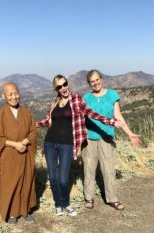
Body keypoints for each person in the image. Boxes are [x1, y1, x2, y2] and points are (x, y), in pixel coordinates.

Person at [36, 74, 122, 216]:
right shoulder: (54, 103)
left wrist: (111, 121)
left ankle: (66, 203)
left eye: (65, 84)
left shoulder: (76, 99)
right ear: (55, 89)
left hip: (67, 144)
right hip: (50, 143)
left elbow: (92, 113)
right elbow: (46, 121)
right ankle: (58, 204)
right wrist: (33, 125)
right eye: (59, 86)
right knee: (53, 177)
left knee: (63, 179)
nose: (63, 88)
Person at [82, 69, 141, 211]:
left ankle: (112, 199)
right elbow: (80, 119)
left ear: (101, 78)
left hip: (107, 137)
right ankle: (88, 197)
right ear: (89, 84)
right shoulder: (86, 98)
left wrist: (129, 133)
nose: (95, 83)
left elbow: (118, 115)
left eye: (97, 80)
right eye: (92, 82)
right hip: (89, 138)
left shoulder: (112, 95)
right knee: (89, 168)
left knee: (108, 169)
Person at [0, 82, 37, 224]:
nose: (14, 97)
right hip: (9, 156)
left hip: (25, 154)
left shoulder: (26, 113)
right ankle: (11, 212)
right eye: (10, 94)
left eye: (16, 93)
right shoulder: (0, 114)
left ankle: (25, 210)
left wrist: (25, 142)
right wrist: (15, 144)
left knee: (26, 182)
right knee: (10, 183)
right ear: (3, 96)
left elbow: (34, 132)